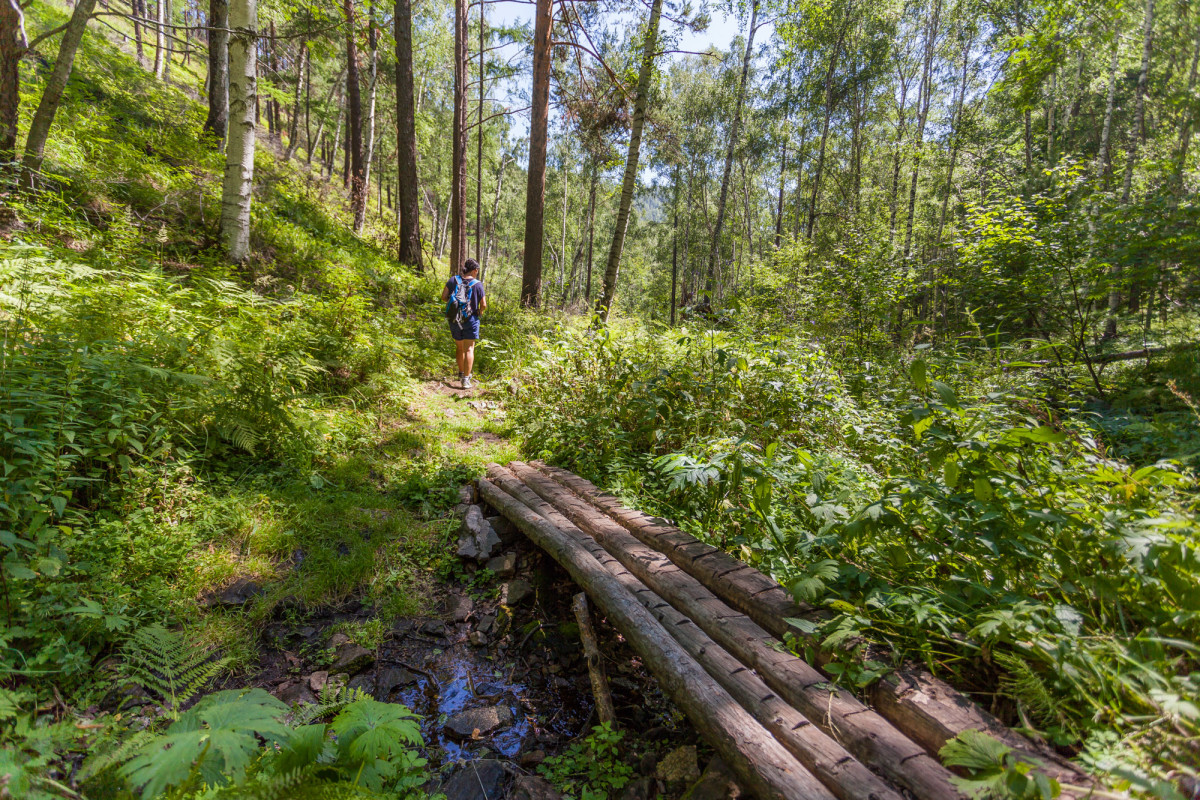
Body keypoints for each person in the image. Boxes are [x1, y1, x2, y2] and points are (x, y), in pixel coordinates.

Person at [441, 258, 487, 389]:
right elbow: (483, 304)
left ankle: (461, 373)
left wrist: (455, 303)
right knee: (469, 349)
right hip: (471, 319)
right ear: (474, 270)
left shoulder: (453, 280)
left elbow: (443, 297)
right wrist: (480, 311)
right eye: (476, 271)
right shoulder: (477, 284)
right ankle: (466, 380)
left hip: (455, 319)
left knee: (459, 347)